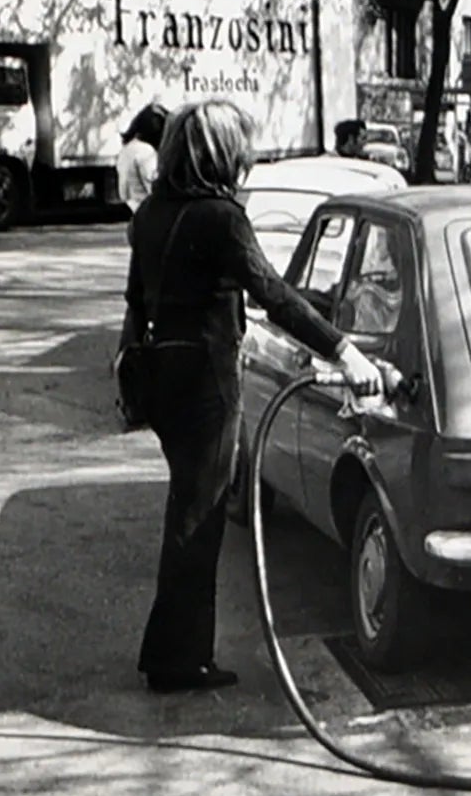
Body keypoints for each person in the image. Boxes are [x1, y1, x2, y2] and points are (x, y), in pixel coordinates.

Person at [121, 99, 384, 694]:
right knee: (200, 519)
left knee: (186, 511)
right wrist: (343, 349)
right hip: (208, 382)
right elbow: (274, 294)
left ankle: (171, 652)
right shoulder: (222, 217)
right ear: (221, 154)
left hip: (163, 376)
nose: (247, 161)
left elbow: (135, 302)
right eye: (240, 149)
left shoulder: (153, 213)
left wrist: (131, 370)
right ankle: (179, 662)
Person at [116, 104, 168, 224]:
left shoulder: (126, 149)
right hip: (150, 213)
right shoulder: (145, 152)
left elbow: (123, 192)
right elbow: (154, 187)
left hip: (134, 210)